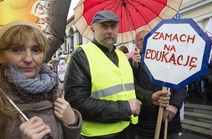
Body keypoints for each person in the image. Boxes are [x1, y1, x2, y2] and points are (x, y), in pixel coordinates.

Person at [64, 10, 170, 139]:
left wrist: (150, 97)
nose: (110, 31)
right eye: (104, 26)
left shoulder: (121, 56)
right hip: (99, 135)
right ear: (93, 30)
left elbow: (129, 89)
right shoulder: (81, 56)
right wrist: (125, 108)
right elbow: (77, 102)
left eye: (113, 26)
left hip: (127, 130)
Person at [0, 20, 82, 139]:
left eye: (36, 50)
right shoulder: (4, 99)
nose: (28, 58)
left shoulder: (55, 91)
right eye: (17, 50)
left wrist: (72, 123)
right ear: (1, 56)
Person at [130, 30, 187, 139]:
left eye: (147, 37)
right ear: (136, 44)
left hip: (169, 121)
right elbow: (131, 87)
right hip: (145, 124)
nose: (143, 41)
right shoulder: (131, 63)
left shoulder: (170, 58)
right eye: (140, 39)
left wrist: (175, 104)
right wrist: (133, 68)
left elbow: (181, 84)